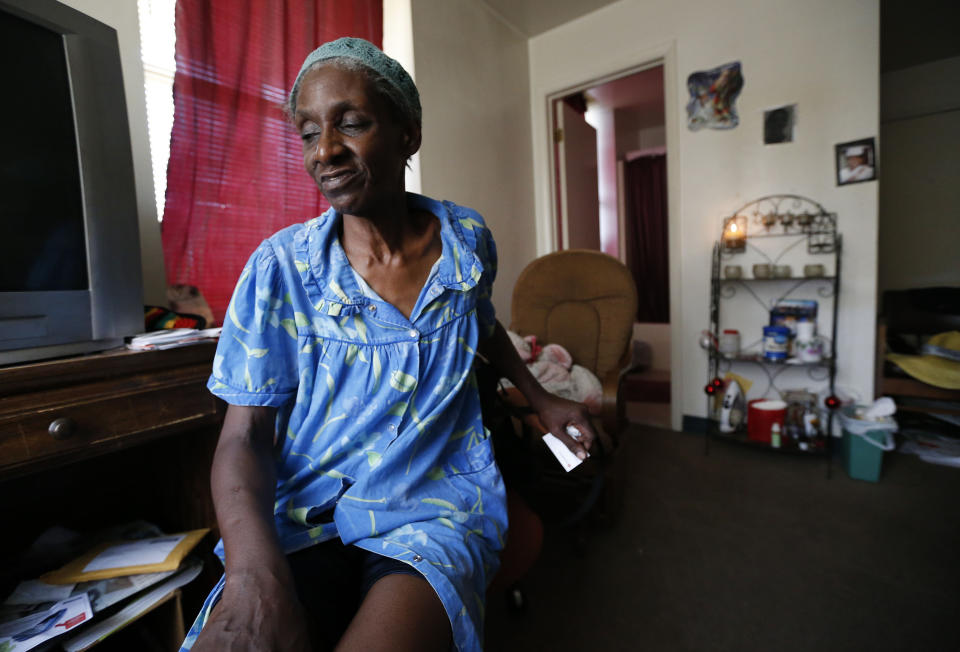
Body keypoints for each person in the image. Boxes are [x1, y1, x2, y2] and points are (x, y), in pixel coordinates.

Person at [181, 37, 596, 652]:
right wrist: (251, 573)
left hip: (436, 499)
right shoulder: (281, 271)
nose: (325, 150)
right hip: (306, 507)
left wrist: (539, 397)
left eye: (352, 123)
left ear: (407, 134)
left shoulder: (466, 239)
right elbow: (243, 437)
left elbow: (476, 320)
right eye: (307, 132)